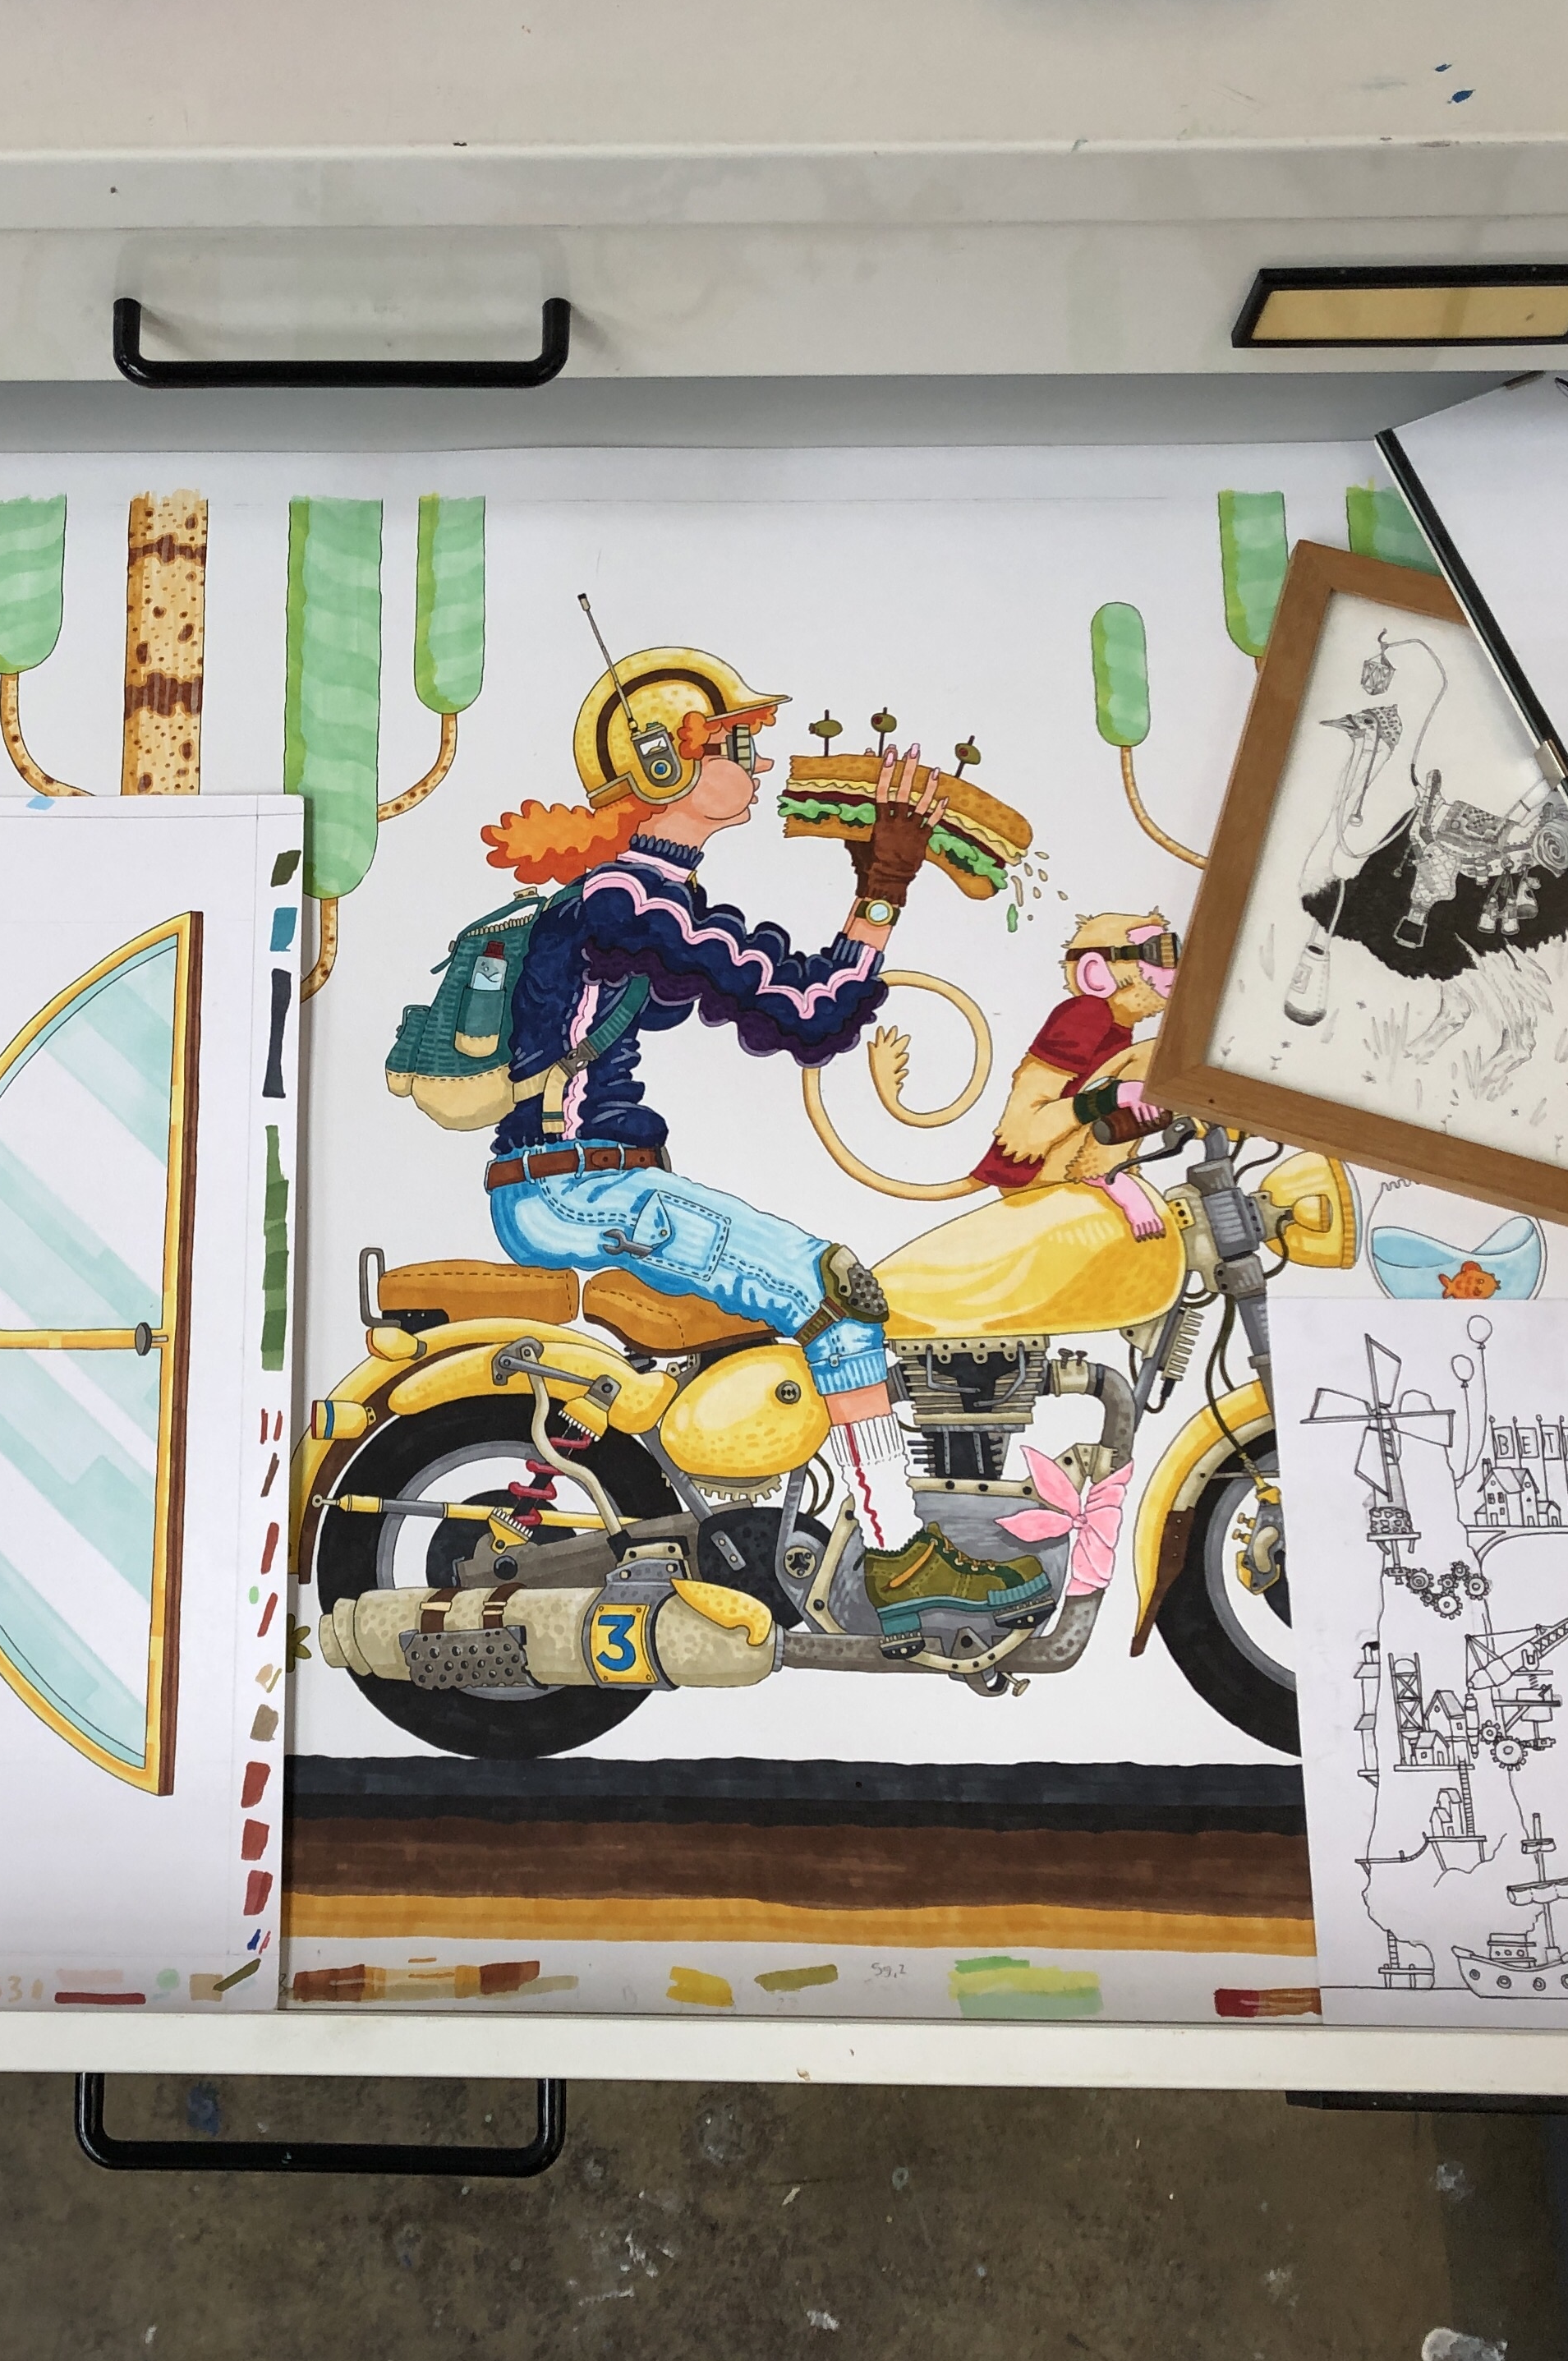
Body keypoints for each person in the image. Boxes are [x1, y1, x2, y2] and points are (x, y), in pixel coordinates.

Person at [481, 645, 1045, 1634]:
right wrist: (885, 884)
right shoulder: (629, 902)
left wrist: (873, 881)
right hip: (581, 1191)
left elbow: (794, 999)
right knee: (837, 1293)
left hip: (580, 1184)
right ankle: (900, 1561)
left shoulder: (630, 896)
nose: (761, 761)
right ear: (665, 765)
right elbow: (808, 1014)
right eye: (737, 745)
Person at [968, 913, 1179, 1240]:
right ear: (1096, 973)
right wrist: (1113, 1097)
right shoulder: (1087, 1014)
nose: (1173, 968)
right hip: (1037, 1171)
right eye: (1157, 953)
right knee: (1155, 1055)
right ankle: (1105, 1175)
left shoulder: (1118, 1028)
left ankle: (1109, 1172)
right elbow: (1023, 1128)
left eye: (1174, 952)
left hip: (1064, 1161)